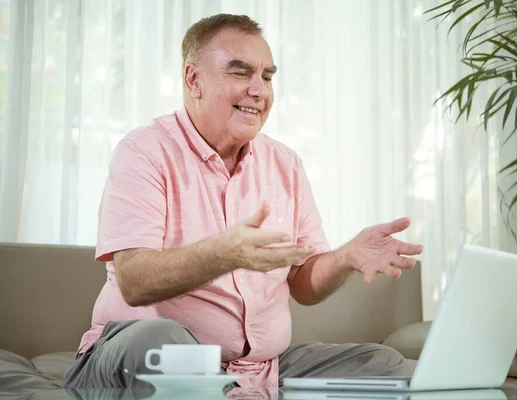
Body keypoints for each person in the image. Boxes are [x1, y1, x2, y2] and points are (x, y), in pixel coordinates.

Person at [64, 13, 423, 390]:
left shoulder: (285, 164)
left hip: (260, 368)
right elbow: (134, 281)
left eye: (267, 76)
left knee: (382, 363)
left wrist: (344, 258)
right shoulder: (144, 151)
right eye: (240, 73)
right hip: (137, 352)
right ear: (193, 79)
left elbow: (303, 282)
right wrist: (224, 253)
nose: (259, 90)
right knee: (163, 347)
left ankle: (228, 391)